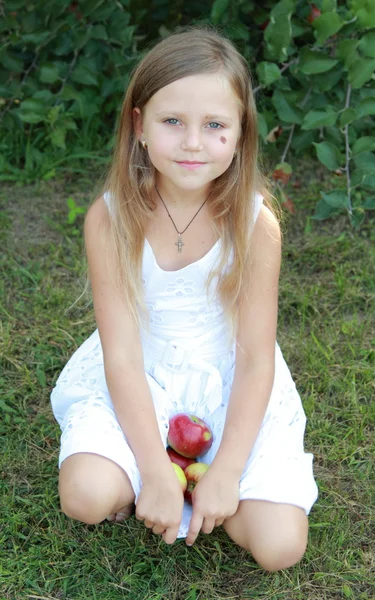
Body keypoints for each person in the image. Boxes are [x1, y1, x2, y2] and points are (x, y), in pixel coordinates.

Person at [50, 26, 318, 572]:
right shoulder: (111, 217)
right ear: (139, 125)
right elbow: (121, 355)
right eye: (173, 121)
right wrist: (151, 467)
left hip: (226, 377)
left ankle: (206, 485)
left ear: (241, 135)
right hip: (141, 370)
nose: (193, 142)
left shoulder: (255, 225)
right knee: (85, 496)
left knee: (280, 547)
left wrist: (226, 471)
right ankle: (158, 478)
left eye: (215, 125)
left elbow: (253, 357)